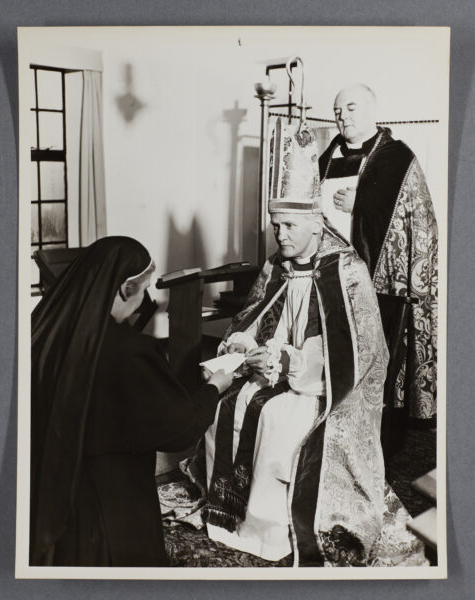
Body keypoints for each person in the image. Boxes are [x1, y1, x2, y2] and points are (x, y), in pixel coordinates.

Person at [183, 118, 427, 566]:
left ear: (316, 225)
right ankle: (229, 517)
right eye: (277, 227)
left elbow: (360, 348)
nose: (281, 237)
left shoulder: (347, 271)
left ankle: (273, 529)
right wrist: (243, 346)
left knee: (279, 418)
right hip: (274, 370)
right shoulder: (279, 263)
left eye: (290, 227)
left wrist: (294, 363)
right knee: (226, 405)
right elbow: (257, 313)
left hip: (326, 388)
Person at [30, 236, 233, 567]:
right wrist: (214, 388)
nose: (145, 300)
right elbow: (179, 430)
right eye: (144, 289)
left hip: (50, 498)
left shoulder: (43, 331)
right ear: (125, 289)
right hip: (109, 509)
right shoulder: (130, 352)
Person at [319, 83, 438, 423]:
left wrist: (362, 204)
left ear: (373, 111)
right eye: (338, 110)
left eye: (351, 107)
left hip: (379, 275)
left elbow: (416, 218)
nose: (343, 116)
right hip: (331, 267)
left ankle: (384, 416)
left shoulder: (398, 157)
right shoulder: (329, 156)